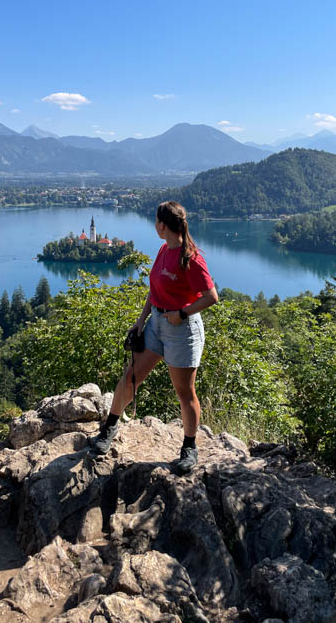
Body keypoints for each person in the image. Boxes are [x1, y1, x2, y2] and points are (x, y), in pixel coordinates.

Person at [91, 200, 218, 474]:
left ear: (162, 225)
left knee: (185, 393)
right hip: (156, 324)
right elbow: (155, 289)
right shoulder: (164, 250)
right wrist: (140, 321)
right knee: (130, 377)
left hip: (182, 331)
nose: (154, 225)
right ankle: (110, 428)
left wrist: (182, 314)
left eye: (155, 221)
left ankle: (189, 447)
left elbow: (211, 297)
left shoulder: (191, 258)